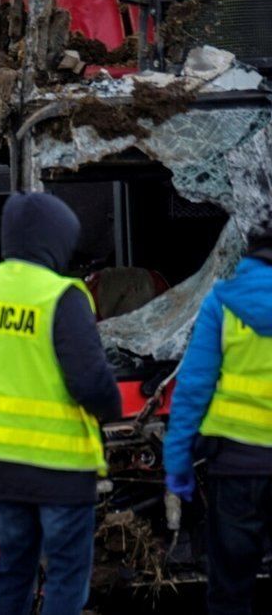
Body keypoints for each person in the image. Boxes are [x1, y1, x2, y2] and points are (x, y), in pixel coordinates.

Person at [0, 192, 121, 615]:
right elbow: (90, 381)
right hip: (60, 466)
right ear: (56, 240)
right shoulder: (61, 296)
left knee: (13, 569)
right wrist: (111, 410)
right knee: (66, 576)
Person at [164, 224, 272, 615]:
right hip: (237, 468)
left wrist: (177, 467)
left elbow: (192, 390)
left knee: (230, 591)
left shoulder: (223, 304)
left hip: (235, 471)